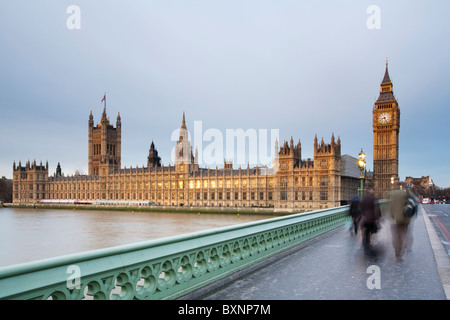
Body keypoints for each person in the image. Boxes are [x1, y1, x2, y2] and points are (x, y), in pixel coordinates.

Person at [389, 180, 415, 260]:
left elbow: (388, 206)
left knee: (395, 236)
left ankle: (397, 251)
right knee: (401, 236)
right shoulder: (404, 193)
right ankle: (400, 253)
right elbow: (413, 199)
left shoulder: (390, 193)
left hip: (393, 219)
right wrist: (407, 188)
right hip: (403, 218)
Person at [359, 186, 381, 253]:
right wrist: (377, 217)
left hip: (365, 217)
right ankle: (367, 245)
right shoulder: (372, 198)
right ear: (369, 190)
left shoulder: (364, 198)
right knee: (370, 231)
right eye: (372, 190)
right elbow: (375, 208)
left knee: (367, 231)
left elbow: (361, 207)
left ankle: (365, 244)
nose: (373, 191)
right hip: (371, 218)